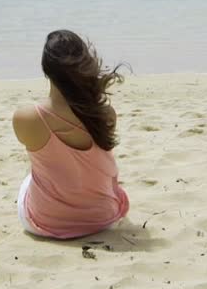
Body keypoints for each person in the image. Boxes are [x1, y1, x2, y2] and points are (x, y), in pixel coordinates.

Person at [12, 30, 130, 239]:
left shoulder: (28, 117)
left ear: (46, 70)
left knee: (30, 177)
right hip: (104, 219)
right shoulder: (105, 114)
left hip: (45, 223)